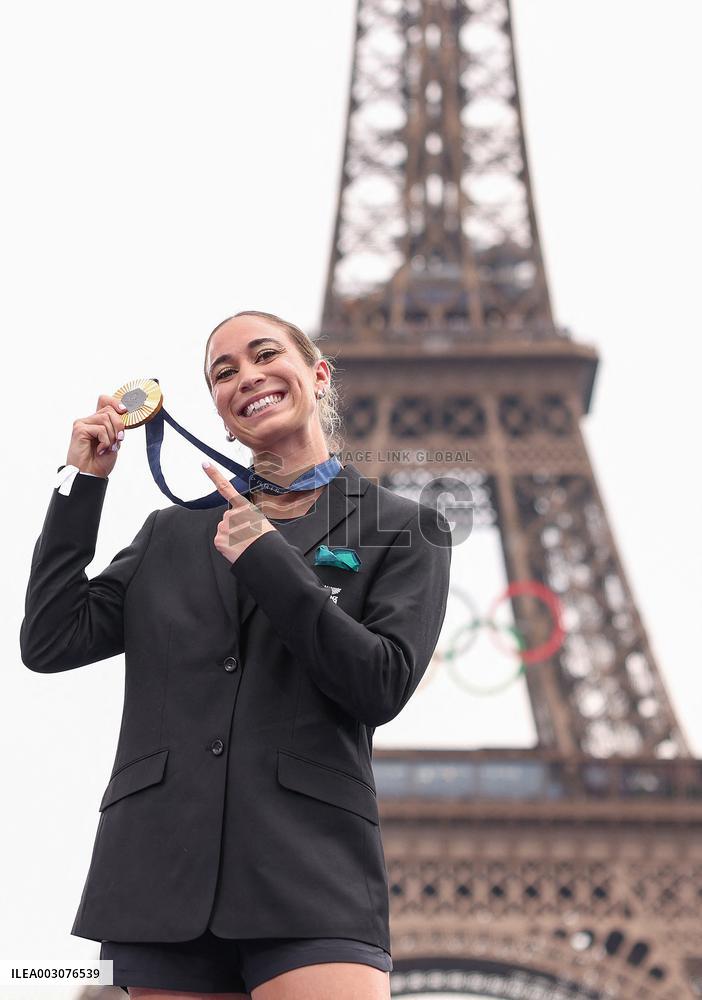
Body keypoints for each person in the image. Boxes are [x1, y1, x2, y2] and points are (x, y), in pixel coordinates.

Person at [20, 310, 453, 999]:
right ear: (222, 415)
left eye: (263, 355)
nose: (246, 375)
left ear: (318, 376)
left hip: (309, 872)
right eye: (224, 372)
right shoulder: (169, 533)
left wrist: (267, 559)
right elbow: (49, 639)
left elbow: (380, 683)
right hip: (161, 872)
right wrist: (82, 483)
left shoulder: (403, 528)